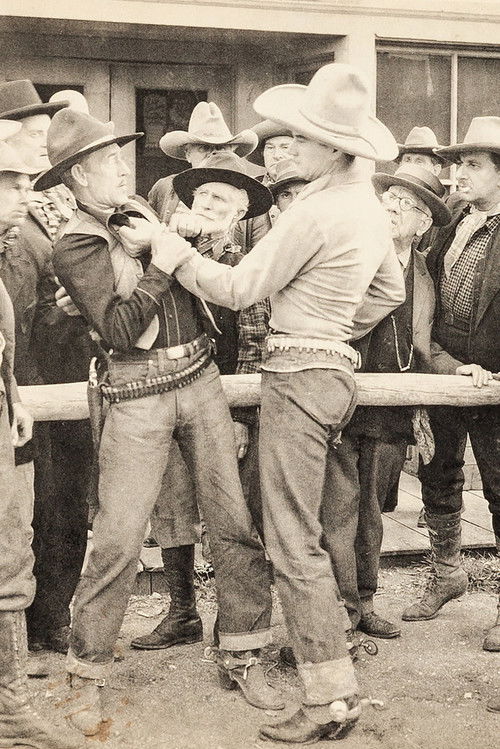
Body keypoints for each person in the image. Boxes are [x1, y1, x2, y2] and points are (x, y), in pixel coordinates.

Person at [156, 62, 405, 743]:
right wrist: (336, 328)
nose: (291, 145)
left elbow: (239, 288)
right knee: (310, 531)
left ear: (335, 147)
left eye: (305, 136)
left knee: (294, 542)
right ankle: (332, 689)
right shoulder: (367, 206)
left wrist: (171, 251)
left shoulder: (315, 211)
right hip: (334, 376)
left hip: (297, 377)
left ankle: (330, 700)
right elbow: (389, 292)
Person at [36, 107, 279, 736]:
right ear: (78, 176)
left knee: (233, 521)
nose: (124, 170)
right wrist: (163, 261)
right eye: (109, 162)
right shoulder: (76, 243)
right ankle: (85, 675)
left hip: (200, 377)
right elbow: (120, 330)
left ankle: (244, 652)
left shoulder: (141, 210)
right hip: (136, 390)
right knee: (118, 537)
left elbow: (186, 272)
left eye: (121, 158)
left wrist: (185, 239)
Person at [131, 150, 272, 651]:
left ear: (240, 214)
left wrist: (240, 416)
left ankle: (235, 624)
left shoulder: (243, 266)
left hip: (221, 407)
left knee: (229, 513)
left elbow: (254, 344)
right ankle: (182, 612)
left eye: (222, 200)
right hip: (164, 396)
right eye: (204, 195)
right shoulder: (157, 253)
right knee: (171, 506)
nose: (209, 204)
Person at [323, 164, 451, 640]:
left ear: (424, 223)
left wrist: (459, 370)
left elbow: (425, 344)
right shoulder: (353, 255)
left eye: (406, 205)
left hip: (393, 410)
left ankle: (366, 601)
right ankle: (338, 609)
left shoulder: (424, 272)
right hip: (344, 402)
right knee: (337, 510)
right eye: (389, 199)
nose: (393, 209)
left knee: (372, 513)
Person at [1, 79, 93, 656]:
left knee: (66, 506)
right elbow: (18, 324)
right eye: (31, 133)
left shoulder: (57, 204)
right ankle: (37, 623)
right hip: (30, 390)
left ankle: (52, 617)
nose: (43, 141)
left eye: (46, 133)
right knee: (37, 510)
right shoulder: (13, 224)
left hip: (68, 381)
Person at [402, 117, 500, 655]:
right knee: (438, 472)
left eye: (473, 165)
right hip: (443, 369)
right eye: (458, 163)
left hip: (494, 383)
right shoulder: (452, 219)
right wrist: (440, 361)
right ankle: (446, 573)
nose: (458, 174)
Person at [148, 101, 257, 223]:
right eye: (204, 148)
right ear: (188, 154)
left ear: (233, 152)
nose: (213, 154)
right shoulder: (165, 187)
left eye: (220, 148)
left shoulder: (252, 194)